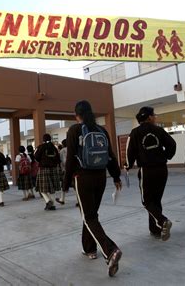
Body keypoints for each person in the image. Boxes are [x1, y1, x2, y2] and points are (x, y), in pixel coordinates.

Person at [64, 100, 123, 277]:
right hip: (101, 177)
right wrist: (116, 176)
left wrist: (66, 182)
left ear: (77, 115)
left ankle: (110, 250)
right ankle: (90, 249)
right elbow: (111, 156)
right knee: (91, 215)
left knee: (88, 216)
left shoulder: (74, 130)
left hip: (83, 178)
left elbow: (70, 160)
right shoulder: (101, 130)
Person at [126, 106, 177, 240]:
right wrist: (165, 156)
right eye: (154, 115)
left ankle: (162, 221)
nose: (155, 117)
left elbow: (130, 152)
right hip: (161, 169)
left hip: (146, 170)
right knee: (156, 200)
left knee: (147, 201)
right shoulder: (159, 130)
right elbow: (172, 144)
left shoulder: (135, 133)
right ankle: (155, 230)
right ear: (149, 117)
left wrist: (128, 165)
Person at [35, 134, 62, 211]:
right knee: (52, 188)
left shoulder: (41, 147)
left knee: (41, 188)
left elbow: (36, 157)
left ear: (43, 139)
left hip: (43, 169)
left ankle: (48, 201)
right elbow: (58, 159)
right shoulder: (54, 147)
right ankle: (52, 205)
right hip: (53, 169)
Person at [56, 139, 68, 205]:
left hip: (65, 170)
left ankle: (62, 199)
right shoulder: (72, 149)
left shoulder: (62, 151)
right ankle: (78, 200)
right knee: (75, 186)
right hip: (74, 169)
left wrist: (62, 169)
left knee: (64, 185)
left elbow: (61, 161)